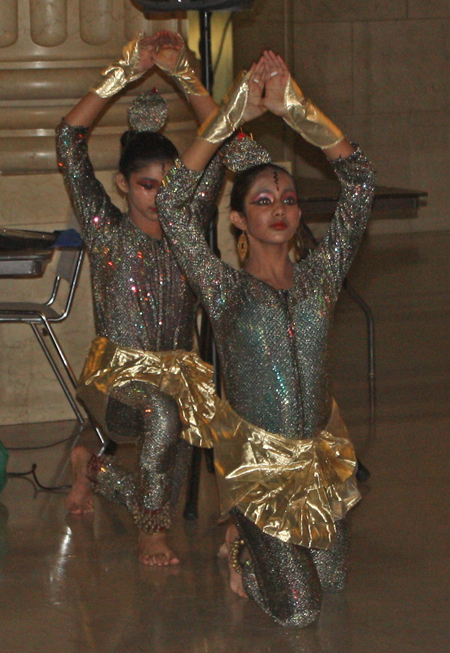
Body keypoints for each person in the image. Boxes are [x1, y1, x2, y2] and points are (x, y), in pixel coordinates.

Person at [156, 51, 376, 624]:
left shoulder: (321, 277)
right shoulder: (223, 288)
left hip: (319, 459)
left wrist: (297, 111)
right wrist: (230, 115)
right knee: (302, 611)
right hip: (259, 468)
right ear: (237, 220)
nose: (279, 209)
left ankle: (253, 545)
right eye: (261, 201)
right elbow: (173, 206)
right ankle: (247, 547)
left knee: (335, 581)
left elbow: (360, 183)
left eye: (287, 200)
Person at [58, 31, 268, 566]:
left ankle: (94, 467)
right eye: (147, 185)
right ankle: (149, 534)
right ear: (124, 185)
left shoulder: (190, 227)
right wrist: (122, 72)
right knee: (162, 420)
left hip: (178, 380)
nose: (158, 196)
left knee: (171, 470)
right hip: (117, 380)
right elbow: (68, 140)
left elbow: (232, 144)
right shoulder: (106, 230)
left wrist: (184, 77)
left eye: (169, 184)